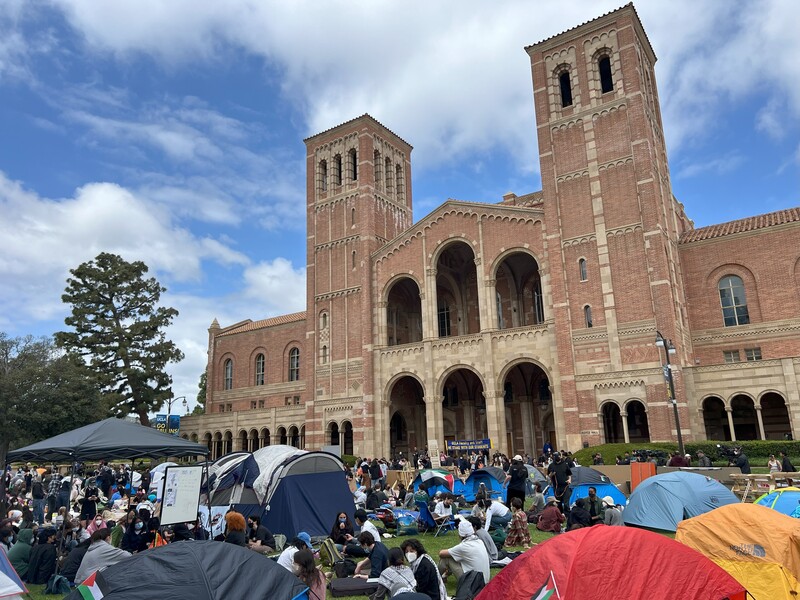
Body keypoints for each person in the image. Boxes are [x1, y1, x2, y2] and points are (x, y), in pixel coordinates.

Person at [437, 519, 490, 585]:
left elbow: (441, 554)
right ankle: (444, 576)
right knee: (455, 557)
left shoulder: (464, 546)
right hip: (484, 580)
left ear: (460, 534)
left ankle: (436, 578)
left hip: (472, 583)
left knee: (447, 558)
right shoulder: (479, 541)